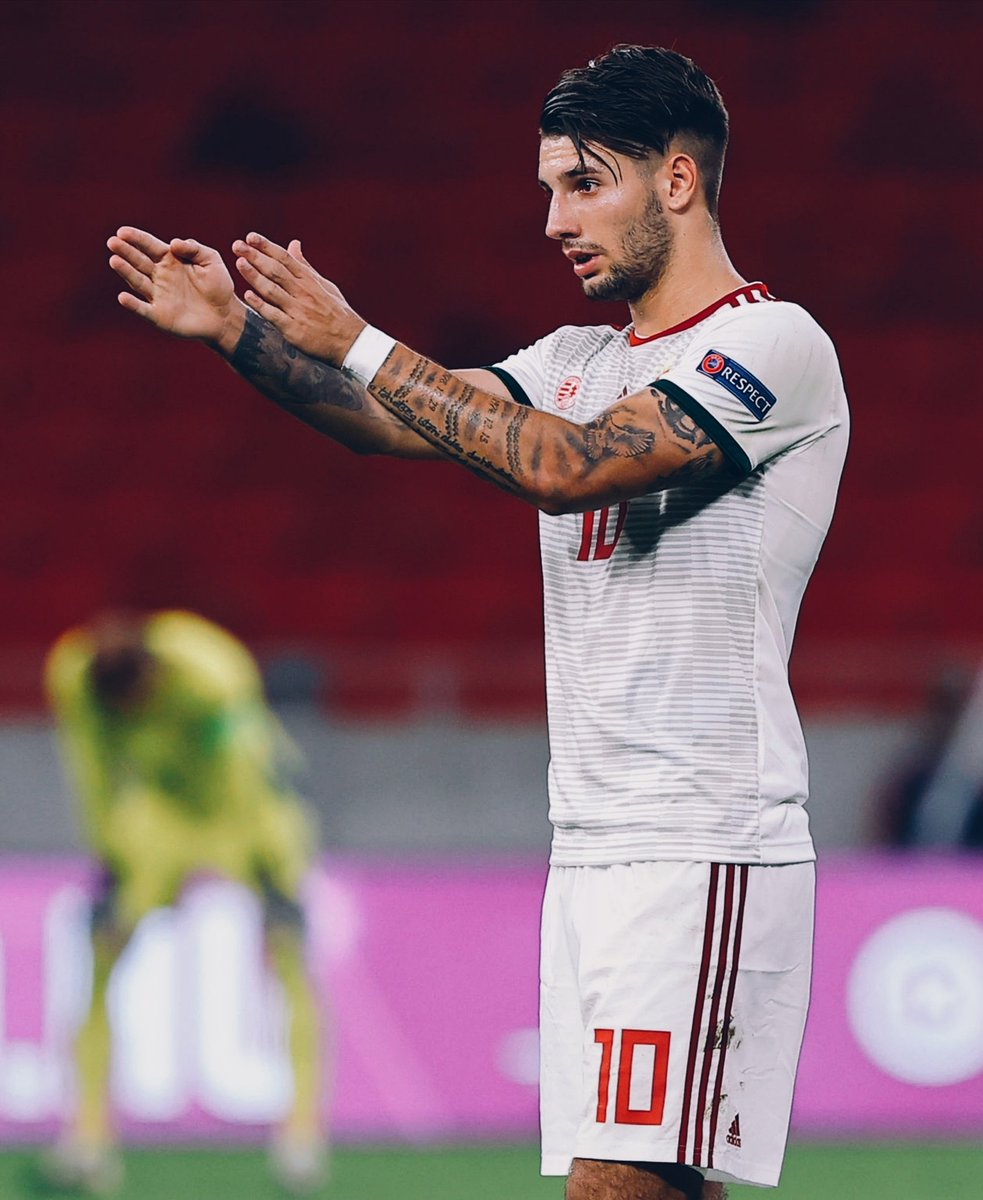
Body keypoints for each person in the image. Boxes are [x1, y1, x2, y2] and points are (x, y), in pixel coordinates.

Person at [106, 45, 848, 1200]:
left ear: (676, 180)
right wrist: (238, 335)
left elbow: (566, 468)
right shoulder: (571, 360)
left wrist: (359, 336)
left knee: (617, 1185)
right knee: (654, 1186)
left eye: (583, 183)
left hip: (701, 839)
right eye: (548, 188)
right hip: (590, 843)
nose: (554, 220)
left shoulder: (771, 345)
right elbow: (383, 421)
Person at [44, 610, 327, 1194]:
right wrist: (110, 857)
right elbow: (93, 771)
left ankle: (302, 1134)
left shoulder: (212, 672)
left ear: (155, 676)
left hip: (242, 812)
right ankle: (88, 1136)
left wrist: (266, 867)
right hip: (160, 813)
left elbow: (247, 768)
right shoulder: (75, 680)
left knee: (289, 953)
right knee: (103, 951)